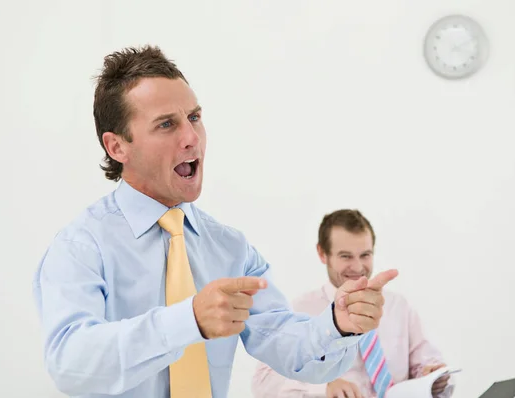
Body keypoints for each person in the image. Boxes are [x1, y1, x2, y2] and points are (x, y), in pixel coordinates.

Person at [31, 45, 398, 398]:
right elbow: (70, 363)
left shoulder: (230, 248)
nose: (192, 138)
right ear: (117, 147)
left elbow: (286, 345)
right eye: (166, 124)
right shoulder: (82, 245)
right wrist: (188, 320)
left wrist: (336, 324)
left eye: (194, 118)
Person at [252, 209, 455, 398]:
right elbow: (263, 382)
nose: (358, 267)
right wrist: (323, 387)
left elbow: (426, 362)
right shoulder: (299, 310)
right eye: (346, 256)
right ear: (323, 254)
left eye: (365, 255)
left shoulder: (399, 307)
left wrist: (434, 376)